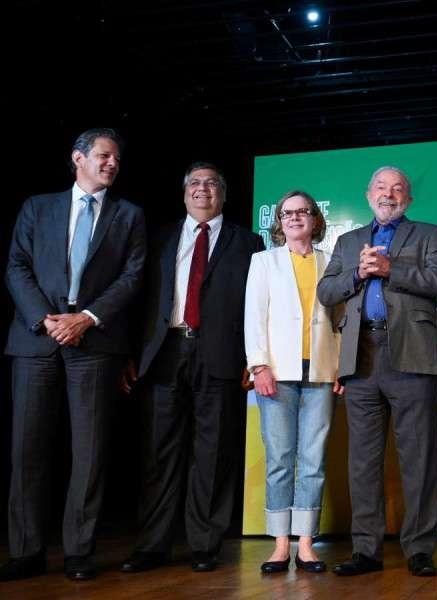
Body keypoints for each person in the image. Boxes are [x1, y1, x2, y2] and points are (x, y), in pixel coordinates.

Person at [1, 128, 146, 581]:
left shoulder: (129, 215)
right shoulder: (37, 207)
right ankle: (26, 551)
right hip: (36, 340)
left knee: (90, 451)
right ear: (78, 158)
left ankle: (79, 552)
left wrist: (86, 317)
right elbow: (17, 266)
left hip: (94, 343)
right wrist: (46, 320)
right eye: (104, 155)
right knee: (27, 449)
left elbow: (132, 276)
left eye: (116, 158)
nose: (112, 163)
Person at [120, 162, 263, 573]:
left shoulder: (248, 242)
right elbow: (137, 298)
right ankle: (153, 545)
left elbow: (257, 305)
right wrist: (129, 353)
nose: (203, 189)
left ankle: (204, 544)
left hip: (221, 355)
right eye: (195, 183)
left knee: (213, 453)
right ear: (184, 193)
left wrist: (254, 357)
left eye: (212, 183)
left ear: (224, 194)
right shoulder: (158, 238)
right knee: (158, 452)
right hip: (163, 352)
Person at [317, 166, 437, 577]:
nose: (388, 194)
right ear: (368, 194)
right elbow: (326, 291)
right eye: (380, 187)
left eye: (397, 189)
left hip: (412, 354)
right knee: (363, 461)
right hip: (360, 356)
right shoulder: (349, 241)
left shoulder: (428, 234)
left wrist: (393, 269)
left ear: (408, 198)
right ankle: (365, 550)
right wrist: (357, 273)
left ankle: (420, 549)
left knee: (419, 458)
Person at [244, 190, 342, 574]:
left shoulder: (331, 262)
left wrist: (339, 368)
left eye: (303, 212)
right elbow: (254, 316)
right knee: (280, 459)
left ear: (315, 220)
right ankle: (280, 545)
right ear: (279, 222)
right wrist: (259, 367)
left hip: (321, 370)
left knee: (313, 460)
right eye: (288, 213)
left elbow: (340, 321)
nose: (295, 217)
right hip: (277, 373)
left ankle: (306, 545)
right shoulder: (263, 261)